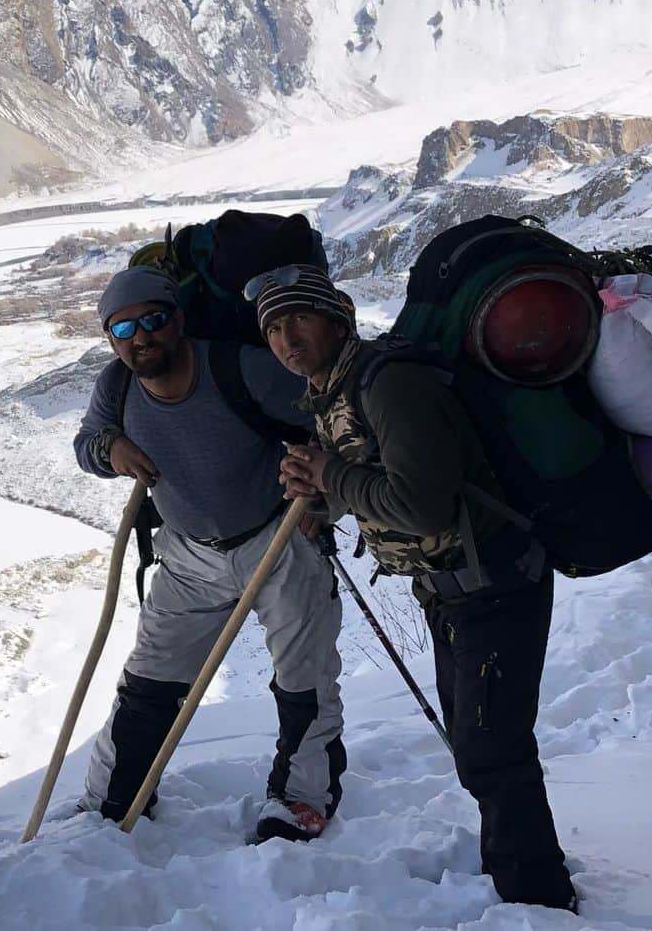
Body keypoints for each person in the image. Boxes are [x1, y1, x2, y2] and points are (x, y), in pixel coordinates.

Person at [252, 263, 577, 912]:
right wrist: (320, 490)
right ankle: (513, 871)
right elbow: (370, 487)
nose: (288, 337)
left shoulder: (388, 383)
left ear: (337, 320)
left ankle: (539, 901)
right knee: (476, 744)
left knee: (493, 748)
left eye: (301, 319)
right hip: (453, 588)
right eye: (275, 327)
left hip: (496, 582)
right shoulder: (334, 392)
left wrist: (330, 473)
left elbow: (422, 503)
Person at [73, 266, 345, 842]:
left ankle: (300, 799)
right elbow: (86, 444)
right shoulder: (116, 388)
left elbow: (328, 416)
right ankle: (113, 801)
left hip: (278, 538)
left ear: (178, 319)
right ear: (111, 340)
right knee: (149, 681)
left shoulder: (238, 369)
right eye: (123, 329)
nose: (140, 337)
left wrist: (321, 479)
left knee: (304, 680)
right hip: (188, 553)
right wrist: (109, 446)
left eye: (152, 320)